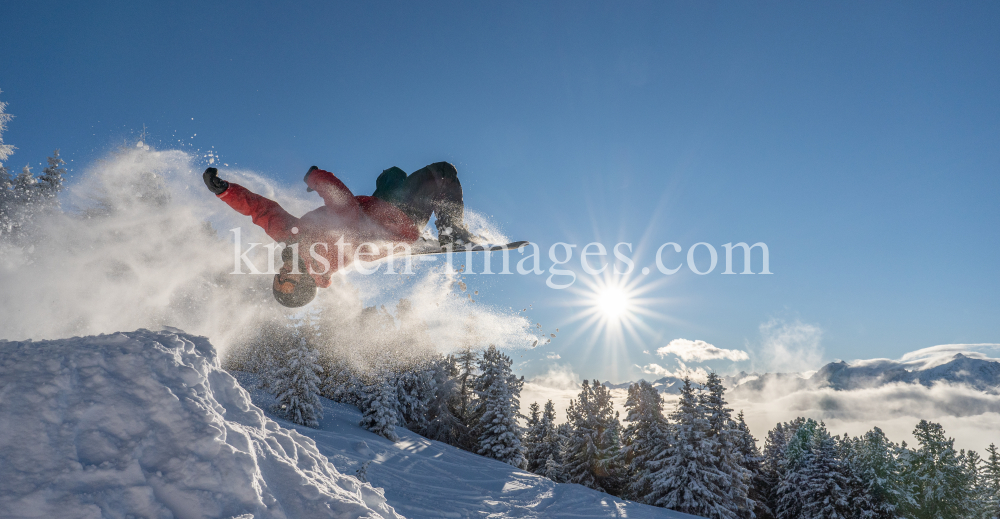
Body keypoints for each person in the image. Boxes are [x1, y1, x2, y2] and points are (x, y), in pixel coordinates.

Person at [203, 162, 481, 307]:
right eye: (288, 282)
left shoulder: (291, 240)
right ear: (303, 284)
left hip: (377, 212)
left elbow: (261, 210)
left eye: (278, 279)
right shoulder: (324, 257)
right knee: (442, 172)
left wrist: (225, 191)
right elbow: (345, 209)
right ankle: (452, 233)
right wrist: (317, 179)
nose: (281, 274)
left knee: (391, 175)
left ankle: (403, 200)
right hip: (398, 222)